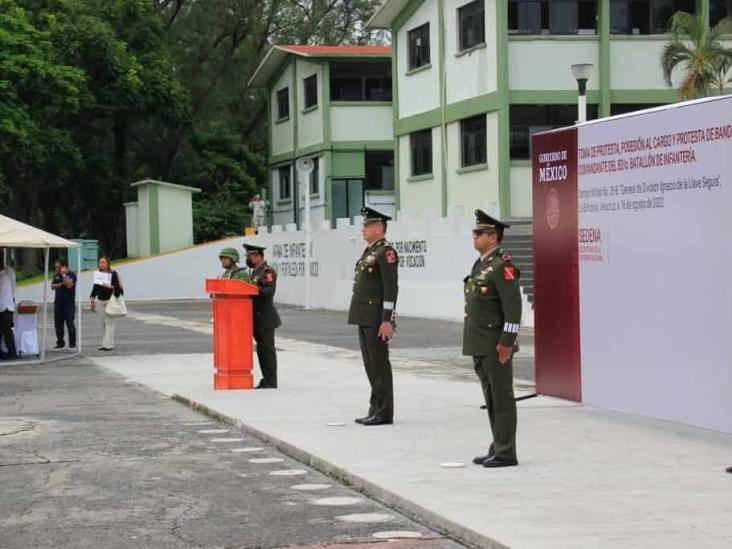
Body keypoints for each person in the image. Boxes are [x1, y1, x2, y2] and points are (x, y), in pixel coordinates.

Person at [464, 209, 522, 468]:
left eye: (479, 233)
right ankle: (497, 445)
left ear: (493, 236)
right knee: (491, 398)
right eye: (475, 232)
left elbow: (513, 311)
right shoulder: (482, 265)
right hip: (480, 341)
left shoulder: (503, 266)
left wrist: (506, 343)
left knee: (501, 398)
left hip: (495, 344)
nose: (474, 237)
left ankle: (506, 451)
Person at [348, 207, 399, 426]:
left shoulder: (386, 252)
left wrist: (387, 320)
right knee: (370, 365)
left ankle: (384, 411)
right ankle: (375, 407)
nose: (363, 229)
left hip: (377, 318)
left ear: (379, 228)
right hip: (364, 316)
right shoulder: (370, 251)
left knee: (379, 366)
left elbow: (390, 288)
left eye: (367, 225)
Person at [244, 243, 281, 388]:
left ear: (258, 256)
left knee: (267, 351)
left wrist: (252, 288)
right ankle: (266, 379)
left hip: (265, 318)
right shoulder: (255, 272)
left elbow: (269, 292)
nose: (248, 260)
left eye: (250, 257)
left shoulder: (267, 272)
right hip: (256, 318)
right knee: (261, 351)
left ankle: (270, 381)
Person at [90, 256, 123, 352]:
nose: (101, 264)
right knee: (103, 323)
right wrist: (92, 299)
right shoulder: (98, 274)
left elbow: (118, 289)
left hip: (110, 301)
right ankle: (105, 343)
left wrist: (109, 286)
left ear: (108, 263)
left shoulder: (113, 274)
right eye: (100, 262)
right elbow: (95, 287)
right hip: (100, 301)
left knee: (110, 323)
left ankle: (109, 345)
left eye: (103, 262)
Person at [51, 259, 77, 350]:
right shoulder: (56, 275)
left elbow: (70, 285)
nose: (57, 269)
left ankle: (72, 343)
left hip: (68, 303)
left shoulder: (72, 275)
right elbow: (52, 286)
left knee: (70, 323)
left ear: (65, 267)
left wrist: (64, 276)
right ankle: (60, 342)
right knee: (58, 323)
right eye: (56, 267)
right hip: (58, 303)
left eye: (59, 267)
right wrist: (62, 283)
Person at [0, 254, 18, 360]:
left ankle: (12, 353)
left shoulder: (4, 277)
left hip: (5, 307)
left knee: (6, 331)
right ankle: (10, 352)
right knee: (6, 331)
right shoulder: (7, 274)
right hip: (6, 306)